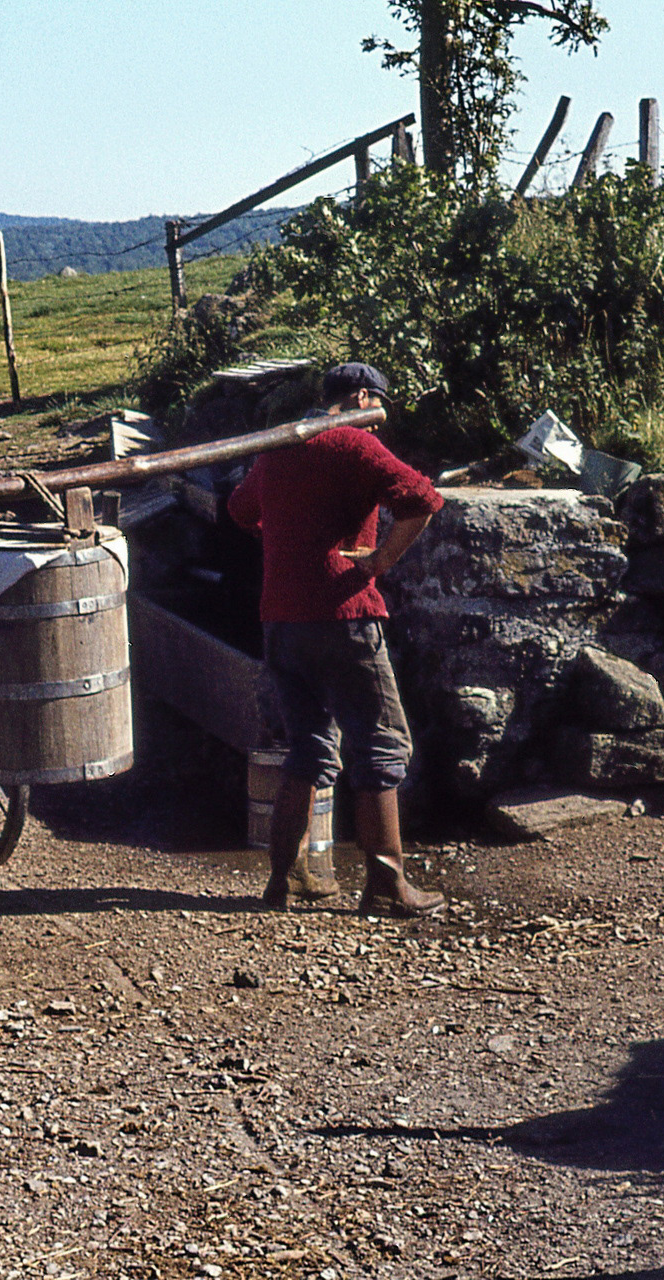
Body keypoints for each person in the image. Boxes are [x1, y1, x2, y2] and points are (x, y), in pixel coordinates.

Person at [226, 362, 447, 918]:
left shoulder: (278, 447)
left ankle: (284, 880)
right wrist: (379, 560)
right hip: (345, 616)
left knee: (308, 749)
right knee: (381, 744)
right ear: (363, 398)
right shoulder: (353, 444)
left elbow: (239, 510)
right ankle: (388, 886)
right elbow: (422, 500)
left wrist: (293, 544)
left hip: (282, 620)